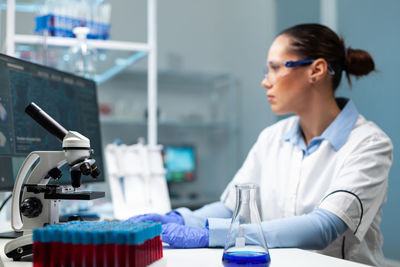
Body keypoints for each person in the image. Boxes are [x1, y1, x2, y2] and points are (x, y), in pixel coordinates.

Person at [127, 23, 393, 266]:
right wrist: (180, 218)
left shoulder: (369, 144)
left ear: (316, 70)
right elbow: (232, 206)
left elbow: (323, 228)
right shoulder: (273, 137)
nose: (265, 81)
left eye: (276, 68)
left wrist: (210, 234)